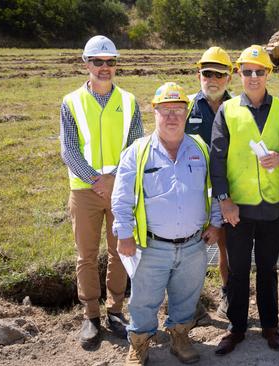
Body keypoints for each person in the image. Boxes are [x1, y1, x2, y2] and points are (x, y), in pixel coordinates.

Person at [111, 82, 222, 365]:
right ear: (155, 112)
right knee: (143, 300)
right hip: (152, 246)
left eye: (178, 110)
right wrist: (124, 235)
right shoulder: (137, 152)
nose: (172, 116)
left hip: (194, 244)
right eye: (165, 110)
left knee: (186, 296)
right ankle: (139, 344)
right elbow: (122, 198)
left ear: (186, 113)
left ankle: (180, 337)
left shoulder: (199, 147)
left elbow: (215, 188)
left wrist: (216, 223)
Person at [59, 35, 143, 349]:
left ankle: (116, 311)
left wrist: (114, 179)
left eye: (110, 62)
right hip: (84, 191)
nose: (104, 68)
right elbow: (69, 150)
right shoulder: (71, 102)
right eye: (98, 61)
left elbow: (136, 147)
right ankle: (91, 315)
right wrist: (97, 180)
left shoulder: (130, 101)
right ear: (86, 63)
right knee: (87, 255)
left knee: (121, 250)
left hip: (120, 190)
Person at [211, 45, 279, 355]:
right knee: (238, 269)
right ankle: (237, 327)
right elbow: (217, 161)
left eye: (260, 71)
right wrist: (224, 200)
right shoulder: (228, 111)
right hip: (238, 210)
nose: (254, 76)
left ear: (269, 73)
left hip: (272, 206)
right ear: (239, 75)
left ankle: (271, 325)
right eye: (247, 72)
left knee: (268, 268)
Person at [186, 46, 234, 319]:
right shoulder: (187, 107)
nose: (212, 79)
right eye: (207, 73)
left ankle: (228, 295)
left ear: (229, 77)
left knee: (227, 246)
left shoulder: (237, 108)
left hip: (227, 190)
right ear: (199, 75)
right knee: (191, 251)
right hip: (194, 191)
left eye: (219, 73)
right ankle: (190, 304)